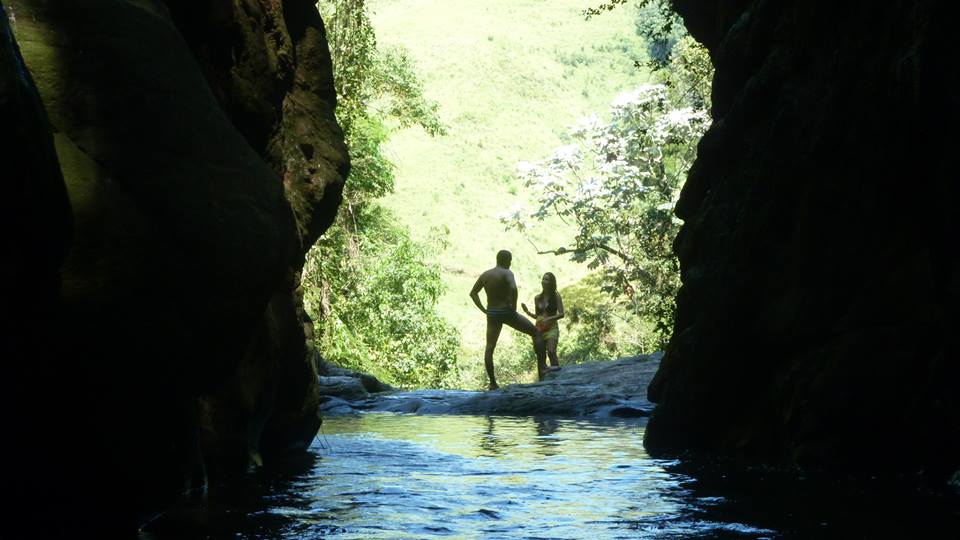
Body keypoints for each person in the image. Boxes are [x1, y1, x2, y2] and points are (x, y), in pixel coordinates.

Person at [470, 250, 548, 390]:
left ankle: (493, 383)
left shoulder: (486, 275)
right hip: (506, 312)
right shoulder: (507, 273)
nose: (510, 263)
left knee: (490, 348)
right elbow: (513, 289)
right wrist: (513, 306)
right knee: (536, 333)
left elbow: (473, 293)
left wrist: (484, 309)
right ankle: (543, 369)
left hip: (492, 313)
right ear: (506, 260)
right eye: (510, 260)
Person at [522, 272, 564, 371]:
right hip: (539, 330)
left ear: (552, 282)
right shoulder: (537, 298)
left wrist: (549, 319)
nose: (544, 281)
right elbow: (538, 317)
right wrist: (527, 312)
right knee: (540, 357)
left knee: (551, 351)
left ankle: (558, 377)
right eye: (543, 279)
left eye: (547, 279)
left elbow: (562, 314)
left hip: (552, 328)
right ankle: (543, 380)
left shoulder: (556, 295)